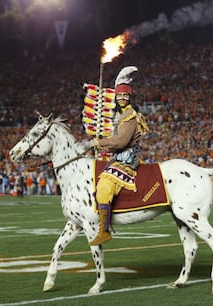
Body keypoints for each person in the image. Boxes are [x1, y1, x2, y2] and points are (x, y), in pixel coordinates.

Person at [89, 66, 149, 245]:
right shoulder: (120, 114)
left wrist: (99, 143)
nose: (122, 98)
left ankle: (104, 231)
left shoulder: (130, 116)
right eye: (119, 95)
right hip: (118, 157)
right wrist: (103, 146)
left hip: (127, 160)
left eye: (125, 95)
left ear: (130, 97)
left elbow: (122, 142)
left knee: (104, 187)